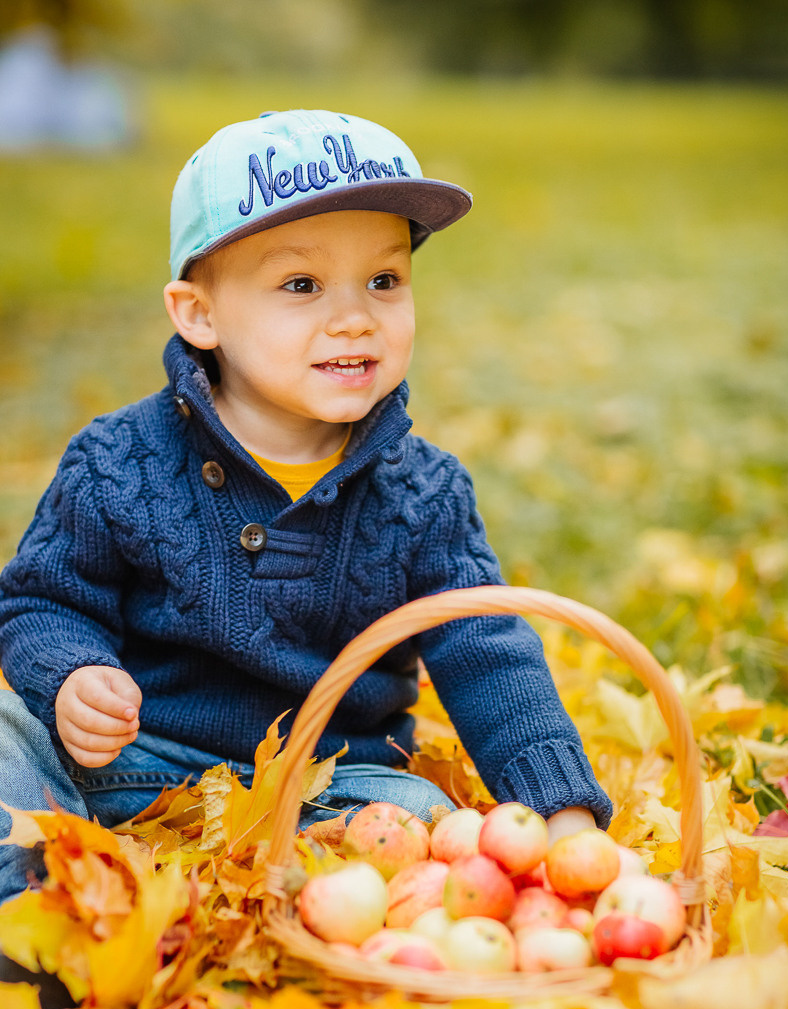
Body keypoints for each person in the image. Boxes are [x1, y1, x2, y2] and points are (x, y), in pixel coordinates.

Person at [0, 108, 612, 912]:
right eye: (301, 285)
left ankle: (312, 909)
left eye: (385, 280)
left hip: (326, 781)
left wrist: (562, 813)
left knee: (422, 826)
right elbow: (41, 600)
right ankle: (33, 909)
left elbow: (485, 647)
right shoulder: (121, 463)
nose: (356, 315)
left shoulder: (422, 492)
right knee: (9, 734)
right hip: (130, 761)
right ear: (199, 314)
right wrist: (73, 674)